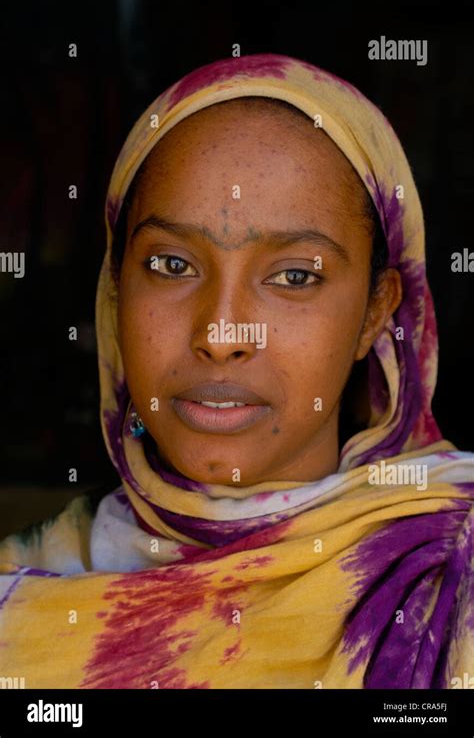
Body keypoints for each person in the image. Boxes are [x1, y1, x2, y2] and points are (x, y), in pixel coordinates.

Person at [0, 53, 472, 689]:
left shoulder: (447, 574)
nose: (221, 336)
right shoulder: (23, 587)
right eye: (171, 266)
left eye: (295, 277)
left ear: (373, 313)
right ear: (115, 291)